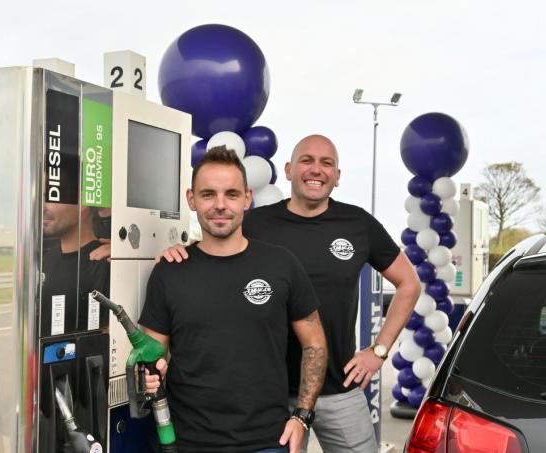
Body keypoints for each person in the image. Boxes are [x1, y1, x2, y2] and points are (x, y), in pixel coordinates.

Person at [160, 135, 420, 453]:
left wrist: (377, 352)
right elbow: (212, 249)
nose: (316, 170)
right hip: (271, 399)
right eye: (306, 160)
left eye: (327, 163)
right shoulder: (256, 222)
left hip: (340, 389)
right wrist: (177, 253)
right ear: (288, 170)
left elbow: (409, 283)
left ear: (337, 176)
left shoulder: (357, 224)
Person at [141, 147, 328, 453]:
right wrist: (147, 372)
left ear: (247, 198)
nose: (220, 205)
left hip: (267, 442)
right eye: (207, 194)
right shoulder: (169, 272)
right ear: (191, 199)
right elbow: (151, 354)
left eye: (230, 194)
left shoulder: (281, 264)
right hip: (188, 443)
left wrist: (303, 416)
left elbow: (315, 344)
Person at [41, 202, 110, 335]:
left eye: (53, 197)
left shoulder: (104, 263)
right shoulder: (48, 259)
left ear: (83, 204)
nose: (43, 207)